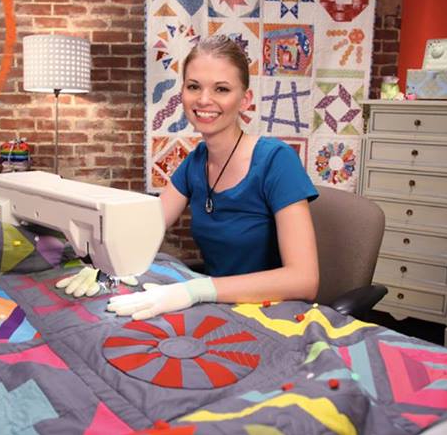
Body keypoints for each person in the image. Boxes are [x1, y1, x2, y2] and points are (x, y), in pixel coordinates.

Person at [105, 35, 320, 320]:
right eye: (194, 86)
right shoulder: (195, 162)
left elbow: (305, 280)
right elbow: (146, 232)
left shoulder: (276, 160)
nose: (204, 100)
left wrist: (196, 291)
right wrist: (101, 261)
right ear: (182, 92)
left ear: (245, 100)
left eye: (221, 89)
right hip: (221, 309)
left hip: (275, 312)